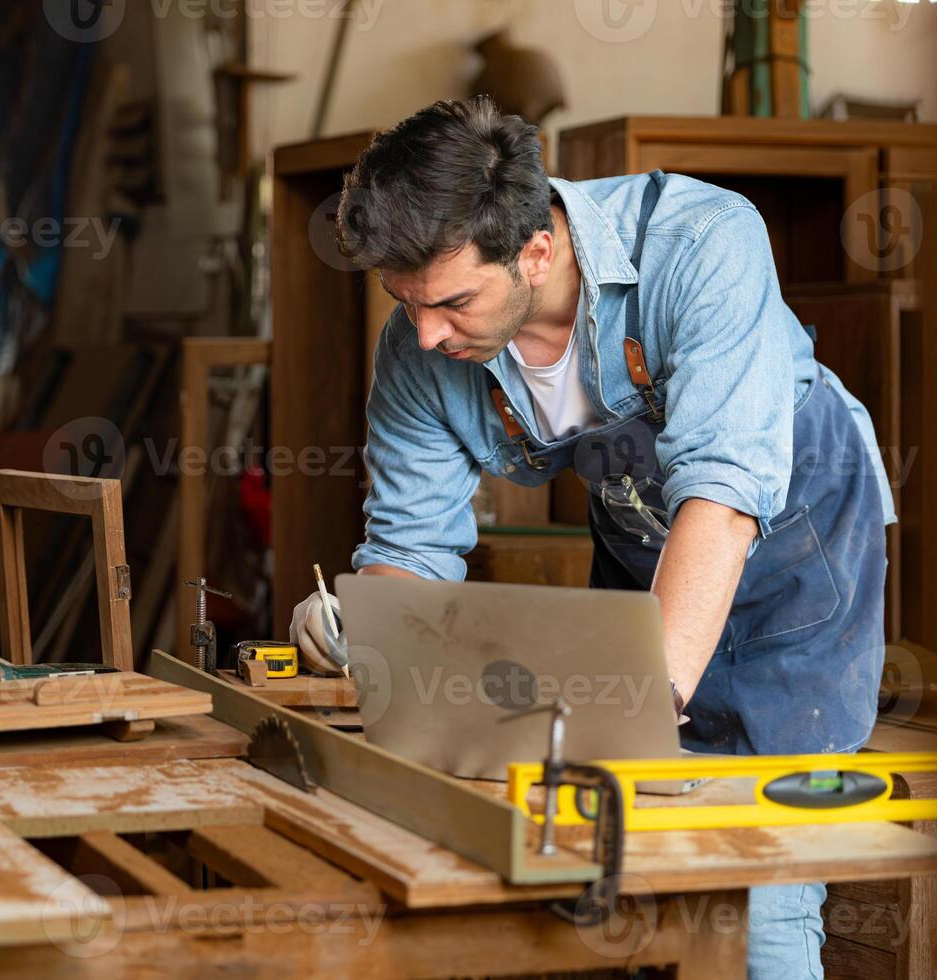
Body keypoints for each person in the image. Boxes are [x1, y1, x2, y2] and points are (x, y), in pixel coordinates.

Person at [289, 96, 892, 979]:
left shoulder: (703, 242)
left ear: (537, 248)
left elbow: (723, 499)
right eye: (404, 300)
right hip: (648, 541)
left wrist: (636, 709)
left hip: (798, 546)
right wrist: (367, 622)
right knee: (621, 861)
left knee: (757, 871)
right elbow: (412, 548)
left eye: (453, 301)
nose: (426, 333)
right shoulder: (417, 344)